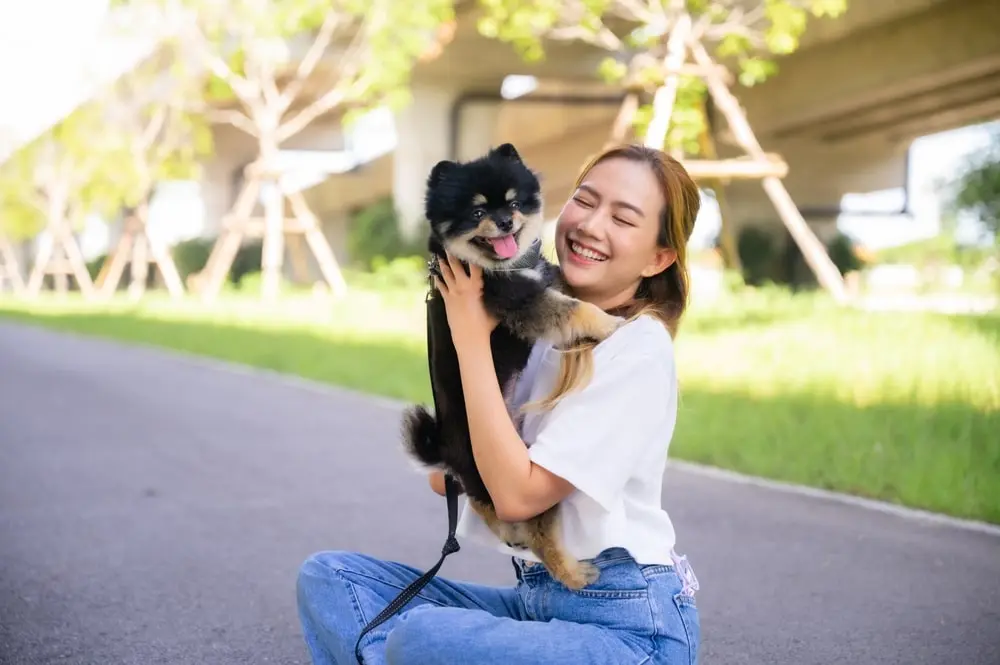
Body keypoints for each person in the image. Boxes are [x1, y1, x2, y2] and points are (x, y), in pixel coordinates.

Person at [296, 143, 703, 665]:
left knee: (422, 639)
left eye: (623, 218)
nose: (592, 225)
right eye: (585, 200)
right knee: (332, 578)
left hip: (629, 628)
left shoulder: (637, 347)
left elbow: (516, 499)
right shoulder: (530, 320)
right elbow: (449, 477)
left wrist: (469, 336)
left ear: (658, 257)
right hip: (540, 606)